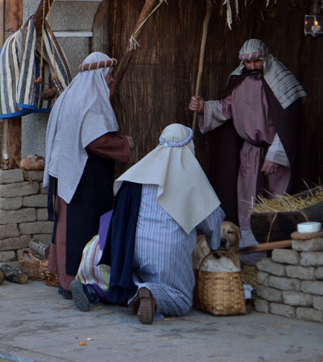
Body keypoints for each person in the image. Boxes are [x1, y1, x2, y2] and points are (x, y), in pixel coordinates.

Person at [71, 123, 225, 324]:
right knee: (182, 300)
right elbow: (213, 224)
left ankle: (110, 291)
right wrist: (216, 247)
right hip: (168, 255)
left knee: (130, 281)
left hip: (132, 249)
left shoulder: (139, 174)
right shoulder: (193, 179)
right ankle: (151, 294)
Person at [188, 38, 305, 260]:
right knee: (248, 201)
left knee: (276, 201)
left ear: (266, 58)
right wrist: (204, 107)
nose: (252, 66)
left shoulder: (283, 81)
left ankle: (275, 250)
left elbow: (289, 124)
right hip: (250, 152)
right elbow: (225, 108)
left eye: (256, 61)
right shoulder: (239, 81)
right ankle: (250, 254)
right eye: (248, 62)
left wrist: (275, 155)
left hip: (276, 154)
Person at [43, 52, 134, 299]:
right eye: (109, 75)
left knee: (67, 226)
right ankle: (75, 282)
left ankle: (67, 277)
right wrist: (124, 144)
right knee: (79, 228)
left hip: (68, 172)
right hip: (82, 176)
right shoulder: (91, 101)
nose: (111, 80)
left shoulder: (69, 97)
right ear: (98, 75)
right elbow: (95, 141)